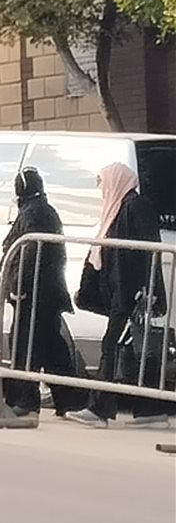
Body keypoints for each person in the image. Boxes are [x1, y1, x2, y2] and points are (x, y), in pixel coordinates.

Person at [67, 163, 171, 429]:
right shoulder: (117, 208)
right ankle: (150, 411)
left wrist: (147, 291)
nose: (101, 189)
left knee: (112, 346)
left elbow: (149, 251)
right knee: (134, 354)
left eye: (103, 182)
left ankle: (99, 410)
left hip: (132, 294)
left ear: (115, 181)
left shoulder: (135, 206)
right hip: (122, 293)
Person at [0, 168, 88, 418]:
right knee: (51, 349)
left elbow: (31, 252)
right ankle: (70, 400)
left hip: (35, 294)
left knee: (24, 346)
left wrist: (18, 286)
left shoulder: (34, 213)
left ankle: (25, 401)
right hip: (44, 292)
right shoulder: (42, 210)